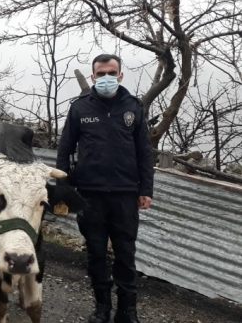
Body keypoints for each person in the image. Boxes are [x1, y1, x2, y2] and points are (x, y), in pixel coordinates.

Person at [57, 54, 154, 323]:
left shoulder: (133, 107)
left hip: (125, 194)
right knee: (96, 252)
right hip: (89, 195)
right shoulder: (79, 108)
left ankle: (128, 311)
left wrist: (146, 189)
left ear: (121, 75)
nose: (107, 78)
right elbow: (65, 150)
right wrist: (64, 188)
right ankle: (102, 309)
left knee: (126, 253)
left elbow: (145, 152)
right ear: (93, 77)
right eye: (101, 74)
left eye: (112, 72)